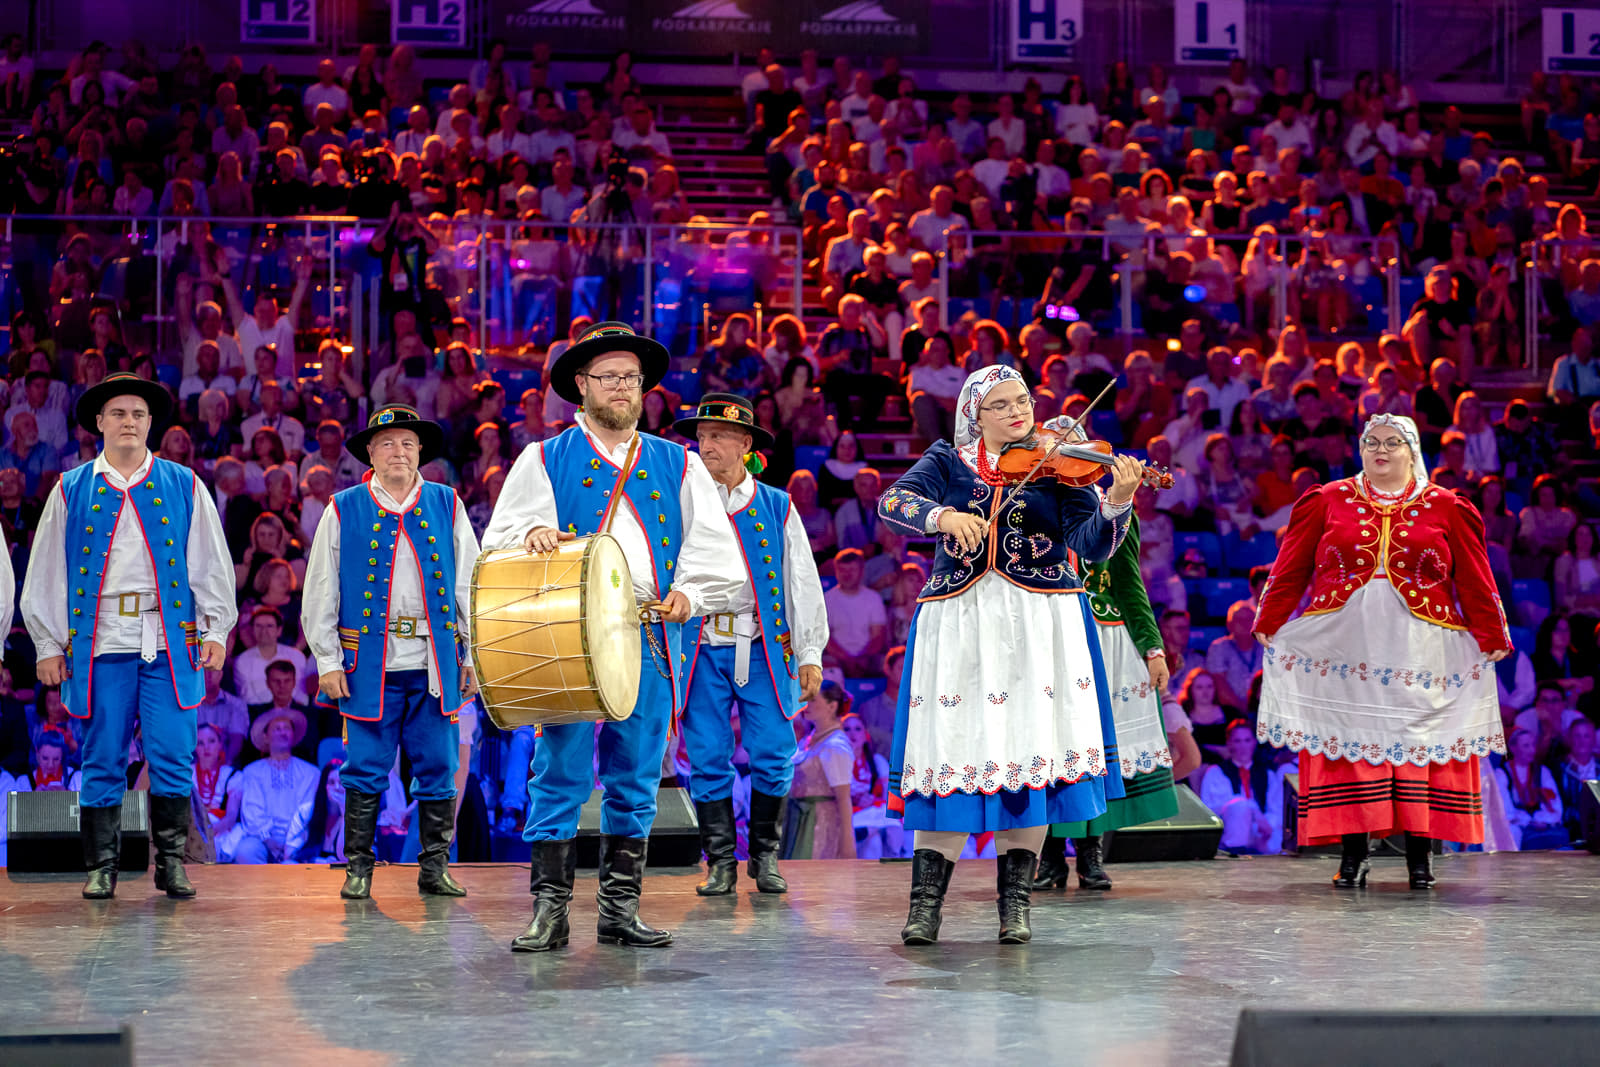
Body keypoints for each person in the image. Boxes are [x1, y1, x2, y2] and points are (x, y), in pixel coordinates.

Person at [483, 322, 743, 953]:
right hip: (567, 636)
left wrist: (690, 594)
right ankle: (550, 912)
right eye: (608, 377)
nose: (622, 387)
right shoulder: (542, 459)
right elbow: (500, 544)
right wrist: (532, 538)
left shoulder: (679, 462)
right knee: (559, 770)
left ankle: (619, 911)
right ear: (582, 384)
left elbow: (714, 550)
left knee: (636, 774)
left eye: (631, 377)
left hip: (650, 633)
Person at [875, 366, 1143, 945]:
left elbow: (1091, 545)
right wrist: (944, 516)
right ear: (975, 415)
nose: (1018, 411)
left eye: (1022, 400)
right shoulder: (947, 459)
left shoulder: (1059, 466)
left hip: (1041, 624)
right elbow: (892, 502)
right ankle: (925, 909)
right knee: (951, 749)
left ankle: (1014, 908)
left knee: (1030, 750)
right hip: (960, 622)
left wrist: (1117, 500)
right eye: (1000, 405)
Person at [1254, 415, 1512, 890]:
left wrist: (1492, 633)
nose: (1381, 449)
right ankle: (1354, 854)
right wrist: (1269, 618)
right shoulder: (1327, 499)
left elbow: (1476, 577)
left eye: (1393, 442)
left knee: (1420, 745)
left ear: (1412, 451)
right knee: (1352, 740)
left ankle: (1420, 856)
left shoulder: (1447, 506)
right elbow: (1291, 566)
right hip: (1345, 643)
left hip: (1422, 645)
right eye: (1372, 442)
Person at [20, 373, 235, 900]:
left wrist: (215, 629)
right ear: (99, 422)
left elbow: (209, 562)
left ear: (150, 422)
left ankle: (172, 863)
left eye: (138, 414)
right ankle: (102, 867)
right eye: (118, 413)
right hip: (101, 642)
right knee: (103, 756)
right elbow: (46, 571)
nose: (129, 422)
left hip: (169, 642)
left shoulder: (183, 484)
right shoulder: (71, 488)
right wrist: (47, 644)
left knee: (173, 753)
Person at [302, 405, 480, 899]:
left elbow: (469, 585)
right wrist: (328, 661)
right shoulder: (343, 508)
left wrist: (471, 657)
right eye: (387, 443)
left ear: (420, 450)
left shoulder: (447, 503)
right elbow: (320, 590)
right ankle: (359, 868)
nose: (398, 451)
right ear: (370, 453)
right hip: (369, 667)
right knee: (364, 768)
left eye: (406, 443)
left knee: (439, 767)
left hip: (433, 663)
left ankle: (434, 868)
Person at [673, 394, 828, 895]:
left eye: (718, 436)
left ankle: (764, 856)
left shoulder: (776, 505)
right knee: (707, 755)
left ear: (745, 443)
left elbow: (801, 579)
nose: (706, 445)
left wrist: (810, 653)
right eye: (702, 436)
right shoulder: (682, 503)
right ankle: (720, 861)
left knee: (774, 751)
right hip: (701, 645)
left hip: (762, 646)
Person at [1035, 497, 1175, 892]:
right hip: (1046, 636)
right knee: (1047, 744)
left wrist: (1153, 648)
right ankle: (1048, 855)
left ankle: (1090, 854)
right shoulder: (1034, 500)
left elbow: (1129, 583)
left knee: (1096, 748)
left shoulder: (1112, 507)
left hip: (1103, 640)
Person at [229, 708, 319, 863]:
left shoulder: (311, 773)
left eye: (287, 728)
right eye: (277, 729)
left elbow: (307, 812)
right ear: (266, 737)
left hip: (300, 838)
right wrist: (268, 839)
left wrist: (292, 843)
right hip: (263, 838)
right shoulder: (253, 771)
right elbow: (252, 810)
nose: (283, 732)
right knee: (246, 851)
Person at [784, 680, 857, 859]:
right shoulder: (810, 739)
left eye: (813, 700)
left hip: (820, 824)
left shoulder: (835, 746)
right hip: (799, 820)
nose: (805, 705)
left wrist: (847, 843)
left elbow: (843, 798)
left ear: (832, 706)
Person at [1199, 720, 1285, 854]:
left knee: (1278, 835)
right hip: (1231, 830)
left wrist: (1267, 824)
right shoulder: (1216, 772)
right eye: (1237, 741)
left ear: (1254, 742)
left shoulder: (1266, 774)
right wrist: (1251, 809)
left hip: (1262, 832)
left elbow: (1277, 808)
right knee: (1239, 808)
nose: (1243, 746)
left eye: (1247, 740)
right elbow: (1210, 809)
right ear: (1229, 743)